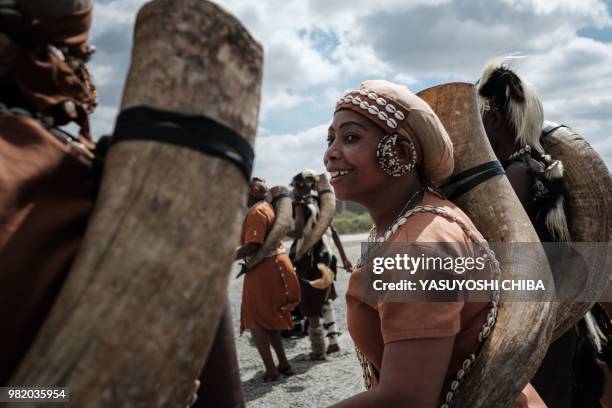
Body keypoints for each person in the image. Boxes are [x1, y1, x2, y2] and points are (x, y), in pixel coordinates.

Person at [324, 79, 505, 406]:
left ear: (402, 151)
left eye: (350, 138)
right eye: (331, 139)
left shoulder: (416, 245)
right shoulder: (410, 221)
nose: (330, 154)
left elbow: (406, 399)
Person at [476, 56, 609, 407]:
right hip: (551, 313)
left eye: (478, 118)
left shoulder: (514, 173)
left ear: (494, 118)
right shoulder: (537, 166)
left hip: (530, 317)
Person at [235, 177, 301, 382]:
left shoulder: (256, 212)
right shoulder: (267, 209)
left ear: (250, 194)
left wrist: (223, 255)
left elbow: (253, 246)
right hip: (276, 265)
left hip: (265, 269)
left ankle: (271, 370)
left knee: (253, 319)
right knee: (270, 319)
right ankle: (283, 364)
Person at [287, 170, 353, 358]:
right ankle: (332, 343)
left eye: (294, 187)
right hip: (327, 257)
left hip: (309, 260)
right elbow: (333, 233)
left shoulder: (300, 206)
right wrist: (344, 257)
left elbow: (299, 233)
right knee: (323, 299)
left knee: (310, 305)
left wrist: (281, 231)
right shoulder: (319, 204)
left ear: (298, 187)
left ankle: (318, 350)